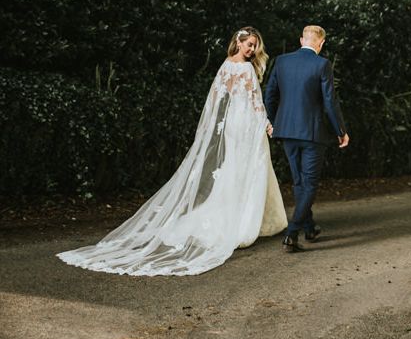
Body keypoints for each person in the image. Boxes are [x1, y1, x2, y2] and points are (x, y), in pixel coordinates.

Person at [57, 27, 287, 276]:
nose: (252, 49)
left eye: (255, 45)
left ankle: (241, 217)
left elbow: (217, 101)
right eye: (250, 44)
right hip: (246, 126)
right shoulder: (246, 69)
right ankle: (244, 224)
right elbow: (255, 101)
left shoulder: (225, 66)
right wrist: (266, 125)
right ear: (239, 42)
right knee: (248, 170)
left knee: (234, 169)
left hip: (232, 125)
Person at [264, 25, 349, 253]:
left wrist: (273, 122)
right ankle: (292, 233)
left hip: (286, 131)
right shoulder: (322, 64)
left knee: (300, 182)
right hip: (312, 133)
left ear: (302, 39)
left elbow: (270, 94)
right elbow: (330, 102)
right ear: (320, 44)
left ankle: (309, 228)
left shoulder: (281, 61)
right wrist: (341, 130)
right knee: (309, 183)